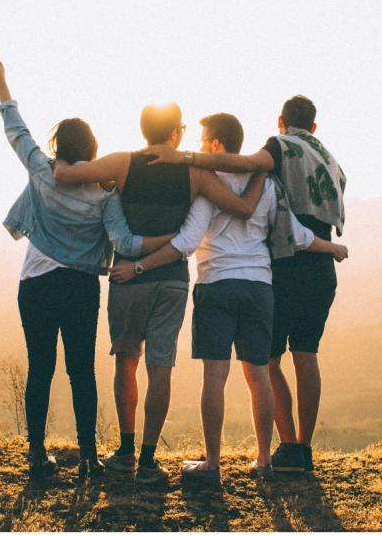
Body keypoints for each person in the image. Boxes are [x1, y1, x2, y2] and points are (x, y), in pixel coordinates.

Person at [109, 113, 347, 483]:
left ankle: (213, 465)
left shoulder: (209, 185)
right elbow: (295, 233)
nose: (201, 146)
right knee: (259, 376)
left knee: (215, 377)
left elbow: (186, 242)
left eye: (205, 140)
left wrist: (139, 265)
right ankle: (265, 461)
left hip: (217, 284)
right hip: (259, 287)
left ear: (217, 145)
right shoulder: (265, 184)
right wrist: (330, 247)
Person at [0, 49, 175, 485]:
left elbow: (17, 132)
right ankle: (88, 457)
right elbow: (123, 242)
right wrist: (174, 241)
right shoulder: (104, 193)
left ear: (58, 147)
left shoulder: (43, 172)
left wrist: (2, 84)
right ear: (92, 149)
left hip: (35, 282)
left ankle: (36, 455)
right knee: (81, 370)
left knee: (40, 367)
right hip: (81, 286)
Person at [53, 104, 266, 484]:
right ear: (176, 135)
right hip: (171, 281)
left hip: (126, 279)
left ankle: (125, 451)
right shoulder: (194, 173)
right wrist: (263, 171)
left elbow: (69, 174)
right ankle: (149, 461)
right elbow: (242, 208)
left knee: (126, 360)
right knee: (160, 366)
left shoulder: (121, 163)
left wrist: (59, 161)